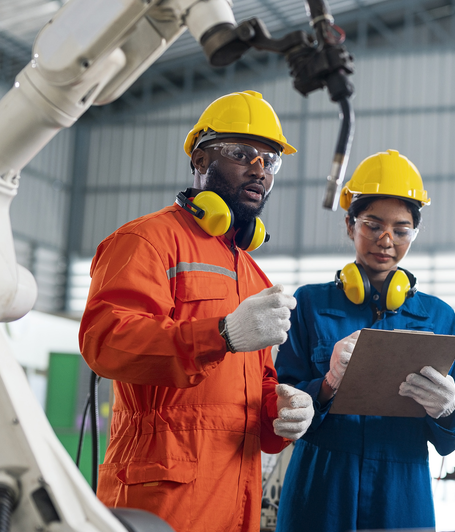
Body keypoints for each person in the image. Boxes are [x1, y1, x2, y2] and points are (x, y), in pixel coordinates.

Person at [79, 90, 314, 532]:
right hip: (161, 498)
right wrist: (221, 334)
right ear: (201, 161)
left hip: (236, 497)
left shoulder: (253, 274)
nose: (259, 169)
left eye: (270, 159)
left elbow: (254, 389)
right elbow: (106, 343)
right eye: (243, 153)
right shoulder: (147, 241)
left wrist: (280, 410)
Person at [273, 150, 455, 531]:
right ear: (349, 225)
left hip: (402, 492)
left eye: (401, 229)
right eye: (372, 224)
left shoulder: (439, 316)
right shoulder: (310, 304)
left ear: (414, 233)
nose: (386, 239)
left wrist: (446, 410)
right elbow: (280, 408)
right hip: (322, 487)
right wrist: (327, 385)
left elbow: (449, 441)